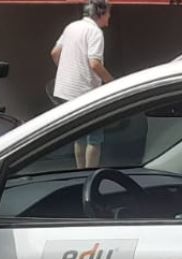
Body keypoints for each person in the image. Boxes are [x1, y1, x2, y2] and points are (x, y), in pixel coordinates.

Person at [51, 0, 113, 169]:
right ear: (100, 13)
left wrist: (69, 72)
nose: (109, 16)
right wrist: (112, 83)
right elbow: (94, 63)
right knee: (94, 138)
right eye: (108, 12)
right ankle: (90, 173)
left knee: (79, 136)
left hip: (66, 91)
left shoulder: (71, 27)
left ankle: (80, 172)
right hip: (85, 92)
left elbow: (55, 53)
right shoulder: (95, 32)